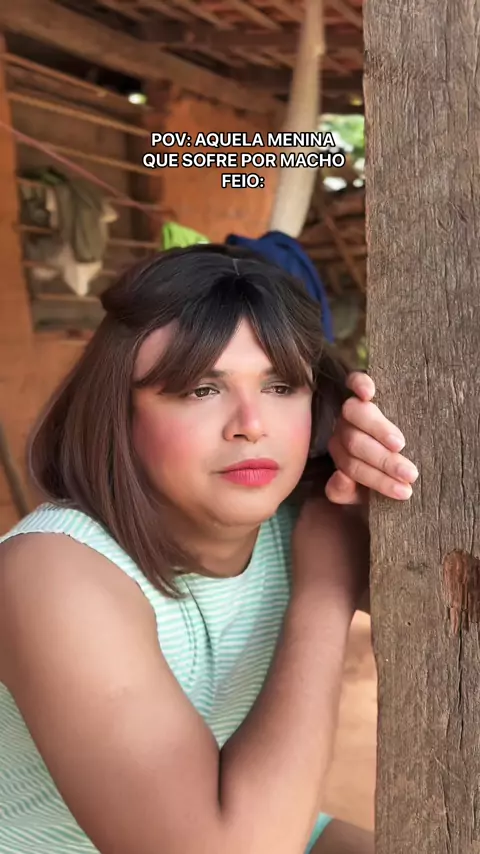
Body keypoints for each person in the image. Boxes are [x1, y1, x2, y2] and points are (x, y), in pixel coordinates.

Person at [0, 244, 418, 854]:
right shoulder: (53, 573)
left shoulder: (302, 518)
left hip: (256, 822)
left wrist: (401, 471)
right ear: (119, 415)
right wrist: (326, 588)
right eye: (200, 389)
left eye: (280, 386)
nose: (252, 423)